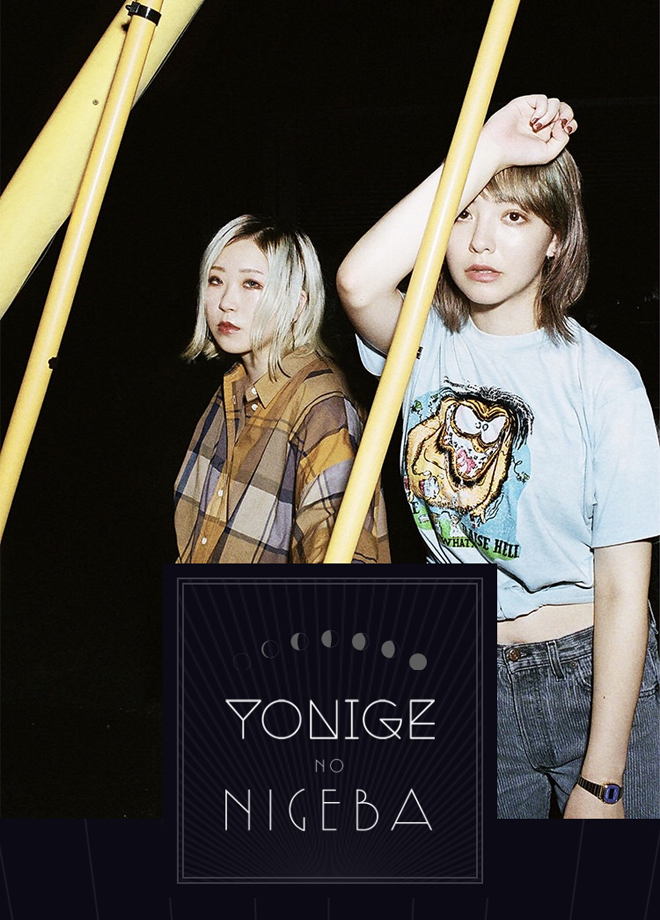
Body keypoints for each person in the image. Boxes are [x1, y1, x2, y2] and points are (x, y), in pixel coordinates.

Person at [337, 95, 660, 818]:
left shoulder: (606, 382)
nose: (480, 242)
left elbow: (623, 591)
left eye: (513, 217)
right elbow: (357, 281)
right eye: (464, 215)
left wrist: (603, 779)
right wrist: (485, 147)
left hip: (594, 679)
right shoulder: (425, 343)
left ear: (555, 238)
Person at [175, 214, 389, 564]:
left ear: (297, 304)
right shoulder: (233, 387)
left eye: (251, 284)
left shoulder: (322, 405)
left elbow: (341, 560)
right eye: (216, 280)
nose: (226, 301)